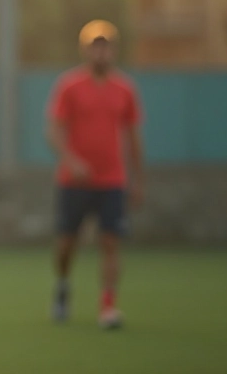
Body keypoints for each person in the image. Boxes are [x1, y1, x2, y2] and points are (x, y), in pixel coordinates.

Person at [46, 20, 145, 329]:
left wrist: (138, 179)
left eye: (106, 46)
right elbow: (53, 130)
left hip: (112, 180)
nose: (101, 52)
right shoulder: (69, 86)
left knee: (111, 241)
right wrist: (70, 160)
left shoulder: (125, 89)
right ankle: (62, 286)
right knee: (66, 244)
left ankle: (107, 307)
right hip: (74, 182)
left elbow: (132, 137)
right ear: (86, 50)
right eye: (95, 46)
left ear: (113, 51)